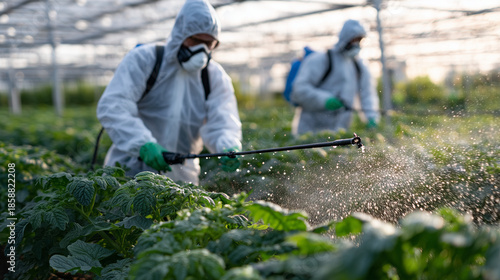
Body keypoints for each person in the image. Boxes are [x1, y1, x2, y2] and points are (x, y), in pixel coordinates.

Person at [97, 0, 242, 185]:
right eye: (196, 40)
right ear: (180, 34)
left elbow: (223, 121)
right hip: (129, 171)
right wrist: (142, 144)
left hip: (182, 181)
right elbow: (114, 106)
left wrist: (228, 145)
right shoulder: (145, 59)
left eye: (209, 44)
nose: (202, 50)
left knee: (179, 213)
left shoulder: (214, 77)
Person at [290, 19, 380, 136]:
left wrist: (371, 117)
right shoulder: (320, 60)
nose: (356, 44)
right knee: (311, 153)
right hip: (310, 130)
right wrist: (325, 100)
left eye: (359, 40)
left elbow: (367, 94)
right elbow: (299, 90)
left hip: (340, 131)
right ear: (346, 38)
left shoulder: (359, 66)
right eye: (354, 40)